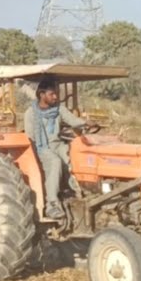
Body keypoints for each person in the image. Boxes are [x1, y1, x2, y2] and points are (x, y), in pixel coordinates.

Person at [23, 78, 91, 219]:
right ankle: (52, 205)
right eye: (52, 94)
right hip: (41, 147)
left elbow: (73, 121)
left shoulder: (59, 109)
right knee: (55, 162)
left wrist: (85, 123)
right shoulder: (30, 113)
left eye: (56, 94)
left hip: (58, 144)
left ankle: (80, 192)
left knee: (75, 157)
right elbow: (31, 138)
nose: (55, 97)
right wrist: (40, 153)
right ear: (42, 94)